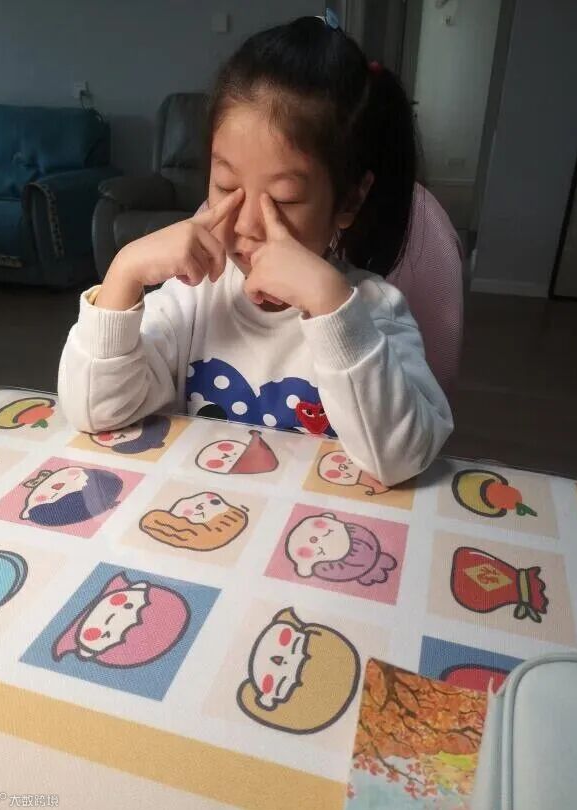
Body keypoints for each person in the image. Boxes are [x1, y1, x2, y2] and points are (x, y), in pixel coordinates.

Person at [58, 12, 453, 487]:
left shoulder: (374, 312)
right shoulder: (193, 297)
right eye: (226, 186)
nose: (246, 225)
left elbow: (401, 458)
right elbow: (94, 412)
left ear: (349, 200)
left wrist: (330, 305)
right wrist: (123, 274)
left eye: (283, 200)